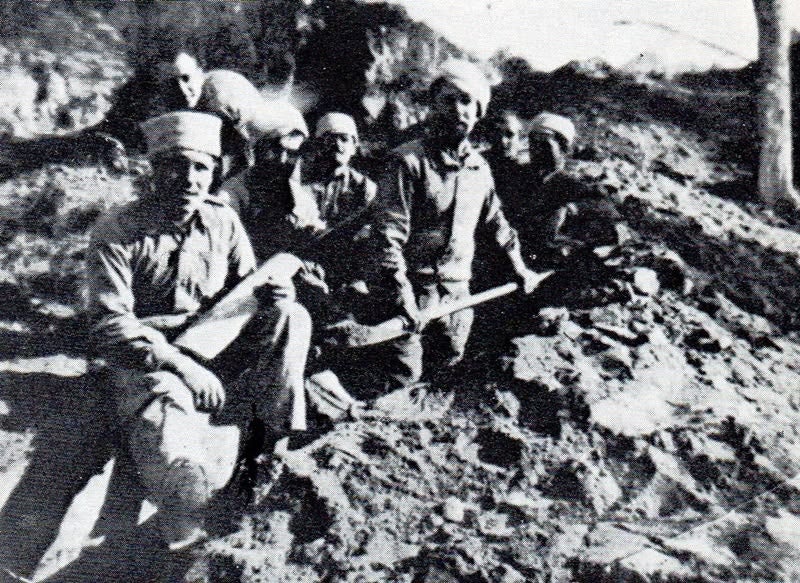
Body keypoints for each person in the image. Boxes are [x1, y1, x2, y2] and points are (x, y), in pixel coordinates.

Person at [86, 111, 314, 559]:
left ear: (214, 172)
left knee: (293, 315)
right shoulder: (117, 230)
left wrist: (276, 294)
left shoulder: (221, 221)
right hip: (148, 358)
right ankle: (181, 534)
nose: (190, 179)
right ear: (154, 169)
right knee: (175, 450)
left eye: (202, 168)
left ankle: (271, 446)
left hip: (215, 343)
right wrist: (182, 366)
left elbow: (245, 290)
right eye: (177, 165)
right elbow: (110, 324)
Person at [372, 60, 548, 389]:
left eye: (466, 101)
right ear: (432, 106)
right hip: (409, 291)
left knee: (446, 370)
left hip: (457, 296)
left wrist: (520, 268)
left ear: (478, 112)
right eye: (448, 100)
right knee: (402, 376)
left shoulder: (479, 170)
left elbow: (498, 225)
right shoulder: (406, 162)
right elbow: (387, 239)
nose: (457, 109)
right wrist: (401, 297)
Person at [510, 112, 623, 265]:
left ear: (564, 148)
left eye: (545, 145)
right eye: (533, 144)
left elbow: (609, 221)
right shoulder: (517, 176)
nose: (537, 150)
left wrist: (570, 211)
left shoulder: (575, 185)